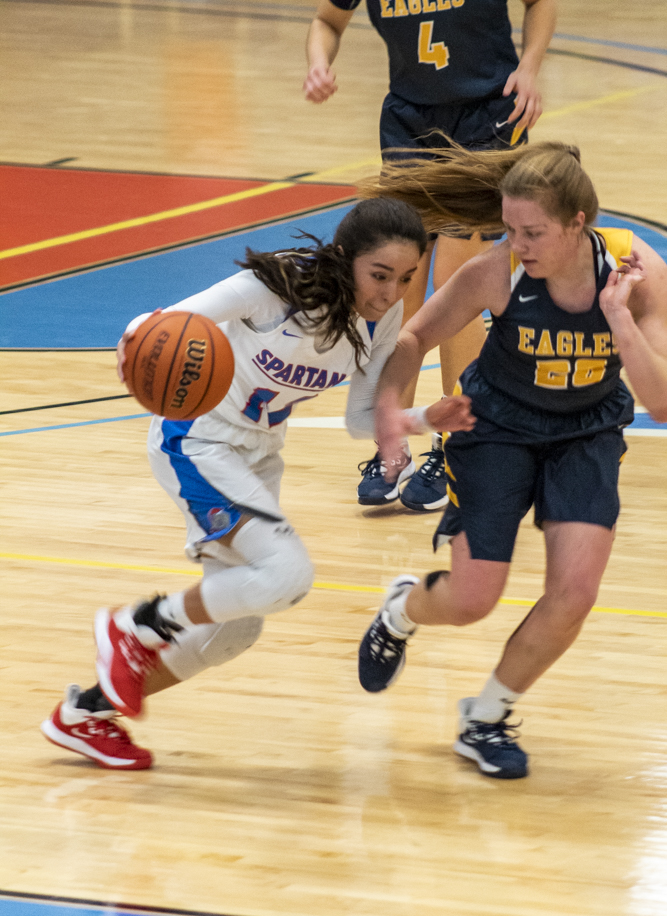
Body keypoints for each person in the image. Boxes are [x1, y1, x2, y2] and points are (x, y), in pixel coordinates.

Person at [40, 198, 474, 770]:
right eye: (379, 275)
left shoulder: (382, 318)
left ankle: (85, 715)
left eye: (405, 279)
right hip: (197, 440)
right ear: (345, 258)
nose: (391, 292)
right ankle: (134, 626)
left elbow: (360, 420)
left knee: (237, 630)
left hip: (258, 455)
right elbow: (164, 321)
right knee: (288, 575)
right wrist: (135, 340)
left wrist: (419, 422)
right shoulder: (281, 285)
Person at [356, 142, 667, 778]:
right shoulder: (498, 272)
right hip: (495, 427)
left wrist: (619, 319)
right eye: (509, 229)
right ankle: (400, 609)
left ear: (579, 223)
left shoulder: (634, 272)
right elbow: (416, 335)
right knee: (474, 600)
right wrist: (393, 411)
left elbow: (661, 403)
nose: (517, 244)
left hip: (585, 432)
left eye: (533, 232)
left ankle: (486, 716)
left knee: (575, 593)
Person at [304, 0, 555, 511]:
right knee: (402, 281)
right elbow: (327, 20)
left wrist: (529, 67)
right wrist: (318, 61)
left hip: (489, 110)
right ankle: (392, 438)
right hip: (408, 119)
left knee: (458, 273)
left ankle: (459, 441)